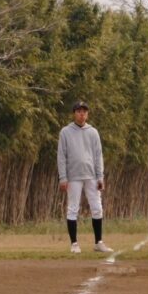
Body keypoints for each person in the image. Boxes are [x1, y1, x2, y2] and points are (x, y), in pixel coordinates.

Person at [58, 101, 113, 253]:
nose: (82, 114)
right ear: (74, 113)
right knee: (73, 209)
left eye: (84, 111)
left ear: (87, 114)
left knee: (97, 208)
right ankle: (74, 244)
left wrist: (100, 176)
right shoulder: (65, 132)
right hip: (73, 176)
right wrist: (63, 177)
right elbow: (61, 156)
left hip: (91, 176)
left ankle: (98, 242)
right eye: (79, 111)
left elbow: (98, 155)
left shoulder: (93, 132)